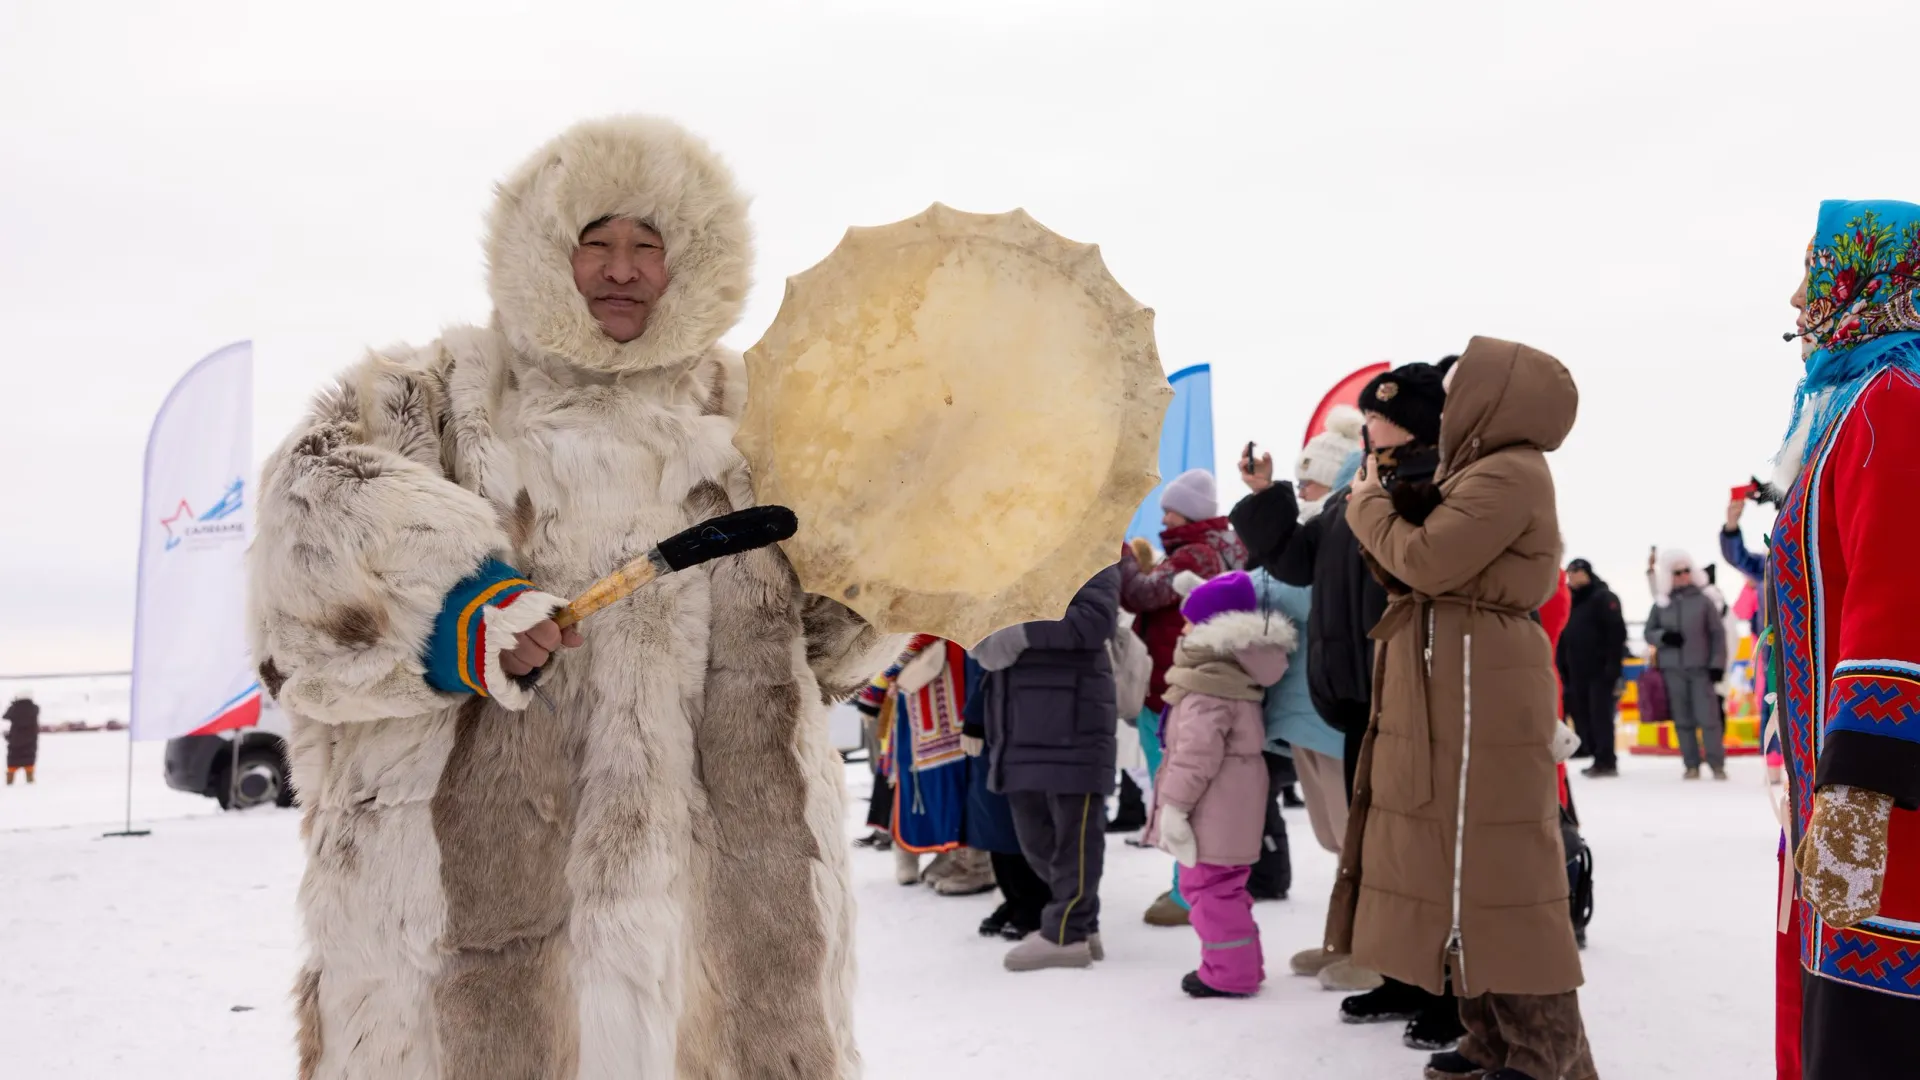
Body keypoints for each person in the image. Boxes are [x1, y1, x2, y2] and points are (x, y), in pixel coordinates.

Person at [246, 117, 900, 1077]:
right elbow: (309, 525)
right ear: (548, 254)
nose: (623, 269)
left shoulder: (764, 413)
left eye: (649, 245)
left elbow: (828, 642)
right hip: (475, 915)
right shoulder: (438, 394)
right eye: (596, 242)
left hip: (727, 911)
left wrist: (887, 563)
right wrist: (463, 615)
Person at [1339, 337, 1596, 1080]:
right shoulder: (1476, 470)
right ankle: (1491, 1038)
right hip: (1459, 676)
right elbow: (1409, 569)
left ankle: (1549, 1056)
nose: (1446, 409)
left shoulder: (1510, 472)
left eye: (1459, 392)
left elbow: (1426, 560)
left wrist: (1365, 503)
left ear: (1495, 394)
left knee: (1504, 874)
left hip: (1484, 681)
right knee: (1462, 871)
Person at [1772, 199, 1920, 1080]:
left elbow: (1898, 598)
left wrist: (1860, 791)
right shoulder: (1851, 407)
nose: (1796, 300)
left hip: (1884, 807)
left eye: (1812, 271)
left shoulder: (1893, 409)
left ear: (1868, 276)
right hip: (1835, 785)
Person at [1143, 571, 1295, 998]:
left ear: (1215, 627)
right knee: (1223, 887)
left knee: (1208, 889)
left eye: (1191, 622)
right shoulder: (1230, 671)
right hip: (1230, 802)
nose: (1184, 628)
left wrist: (1174, 807)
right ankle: (1239, 963)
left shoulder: (1209, 683)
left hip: (1214, 804)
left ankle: (1230, 973)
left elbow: (1195, 756)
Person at [974, 566, 1121, 972]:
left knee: (1074, 836)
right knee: (1036, 840)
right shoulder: (1015, 558)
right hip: (1019, 721)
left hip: (1074, 719)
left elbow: (1094, 621)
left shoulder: (1091, 556)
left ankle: (1067, 933)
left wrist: (1019, 634)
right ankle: (1082, 922)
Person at [1120, 468, 1246, 923]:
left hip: (1176, 690)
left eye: (1170, 511)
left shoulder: (1193, 554)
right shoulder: (1229, 547)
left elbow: (1140, 594)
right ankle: (1212, 882)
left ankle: (1186, 891)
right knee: (1210, 791)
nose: (1164, 519)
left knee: (1177, 792)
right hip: (1216, 685)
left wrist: (1115, 548)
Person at [1251, 569, 1347, 855]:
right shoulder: (1279, 575)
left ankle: (1356, 896)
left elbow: (1311, 600)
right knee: (1332, 834)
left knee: (1347, 835)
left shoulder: (1308, 574)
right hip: (1307, 720)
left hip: (1327, 720)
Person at [1644, 550, 1730, 780]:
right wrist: (1664, 636)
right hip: (1673, 670)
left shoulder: (1704, 602)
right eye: (1677, 572)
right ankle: (1691, 764)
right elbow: (1648, 631)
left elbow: (1717, 635)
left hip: (1701, 669)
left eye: (1685, 571)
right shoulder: (1662, 604)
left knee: (1709, 718)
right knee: (1682, 719)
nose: (1682, 576)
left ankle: (1716, 764)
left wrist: (1716, 665)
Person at [1558, 558, 1628, 778]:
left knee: (1601, 716)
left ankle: (1606, 759)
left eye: (1576, 571)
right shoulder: (1573, 600)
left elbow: (1617, 634)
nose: (1572, 576)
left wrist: (1613, 668)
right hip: (1577, 670)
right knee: (1584, 715)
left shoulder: (1602, 597)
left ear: (1587, 573)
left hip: (1600, 669)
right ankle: (1592, 751)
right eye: (1569, 572)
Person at [5, 690, 38, 785]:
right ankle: (30, 780)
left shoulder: (14, 709)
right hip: (30, 741)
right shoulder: (34, 709)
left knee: (12, 763)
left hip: (15, 741)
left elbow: (5, 716)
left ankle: (9, 782)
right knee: (29, 762)